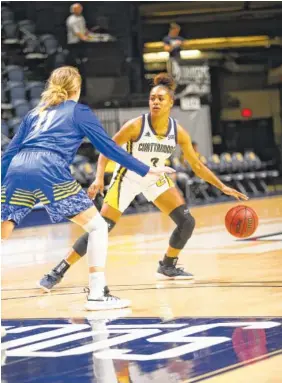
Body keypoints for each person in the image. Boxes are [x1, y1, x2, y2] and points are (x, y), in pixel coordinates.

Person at [38, 73, 248, 292]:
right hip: (127, 178)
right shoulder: (135, 125)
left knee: (187, 222)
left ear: (171, 103)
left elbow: (197, 165)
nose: (155, 102)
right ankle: (58, 270)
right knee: (101, 228)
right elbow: (106, 151)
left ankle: (168, 265)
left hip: (154, 178)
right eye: (152, 98)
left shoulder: (178, 132)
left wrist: (222, 186)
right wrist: (99, 177)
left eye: (160, 98)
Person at [1, 66, 175, 311]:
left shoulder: (34, 113)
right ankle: (96, 294)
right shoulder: (79, 111)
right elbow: (109, 148)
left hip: (18, 167)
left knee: (4, 231)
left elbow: (9, 153)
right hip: (48, 167)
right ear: (77, 88)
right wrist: (146, 170)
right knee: (97, 226)